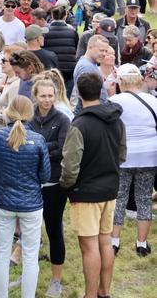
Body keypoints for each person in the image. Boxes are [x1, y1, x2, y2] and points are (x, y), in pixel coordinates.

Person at [60, 73, 126, 298]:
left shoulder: (79, 124)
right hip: (110, 189)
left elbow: (70, 166)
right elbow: (122, 154)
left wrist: (67, 186)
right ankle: (103, 292)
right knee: (105, 242)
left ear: (78, 93)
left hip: (86, 193)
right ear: (101, 91)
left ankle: (90, 295)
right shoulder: (117, 119)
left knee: (89, 247)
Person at [0, 95, 50, 298]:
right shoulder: (38, 140)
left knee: (2, 254)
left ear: (8, 112)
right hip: (31, 203)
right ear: (30, 113)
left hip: (3, 201)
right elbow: (45, 175)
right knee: (31, 257)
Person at [109, 64, 157, 257]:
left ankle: (114, 242)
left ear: (120, 81)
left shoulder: (114, 101)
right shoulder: (153, 100)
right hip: (149, 155)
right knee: (144, 198)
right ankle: (142, 244)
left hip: (123, 156)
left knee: (118, 199)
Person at [29, 78, 70, 296]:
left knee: (54, 230)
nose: (47, 100)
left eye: (50, 95)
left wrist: (38, 146)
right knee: (30, 233)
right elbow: (22, 143)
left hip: (54, 183)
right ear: (35, 96)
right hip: (31, 182)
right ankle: (28, 275)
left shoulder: (63, 119)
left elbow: (62, 149)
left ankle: (56, 280)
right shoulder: (29, 117)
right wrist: (46, 146)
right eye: (43, 96)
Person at [73, 35, 109, 112]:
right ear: (90, 47)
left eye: (106, 51)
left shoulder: (91, 64)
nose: (104, 54)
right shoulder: (86, 67)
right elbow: (88, 99)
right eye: (101, 50)